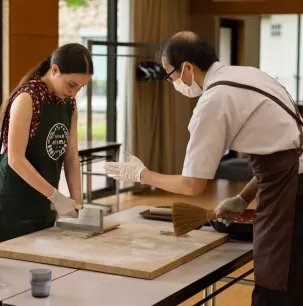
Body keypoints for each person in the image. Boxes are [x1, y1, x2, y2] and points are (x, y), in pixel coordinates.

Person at [104, 31, 303, 306]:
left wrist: (140, 174)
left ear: (186, 67)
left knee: (278, 286)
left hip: (292, 200)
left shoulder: (213, 101)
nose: (172, 82)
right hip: (289, 181)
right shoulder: (250, 75)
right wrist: (243, 198)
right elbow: (282, 154)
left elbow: (192, 185)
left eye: (169, 74)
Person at [0, 43, 94, 242]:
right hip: (11, 204)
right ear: (54, 70)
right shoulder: (28, 97)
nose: (74, 93)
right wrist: (56, 196)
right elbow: (15, 160)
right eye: (71, 84)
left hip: (43, 202)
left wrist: (77, 205)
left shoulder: (68, 103)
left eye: (81, 87)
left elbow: (71, 157)